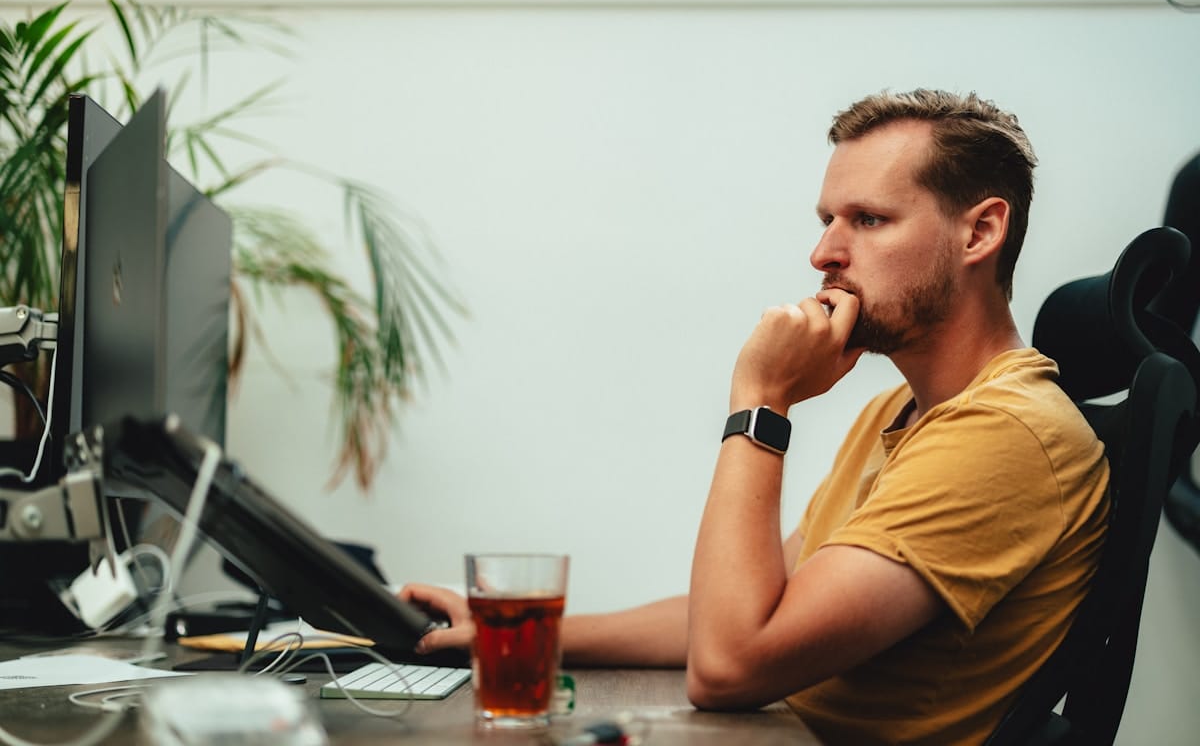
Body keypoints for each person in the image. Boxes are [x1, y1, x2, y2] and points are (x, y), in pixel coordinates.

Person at [400, 88, 1110, 745]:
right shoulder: (901, 411)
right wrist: (516, 635)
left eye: (868, 220)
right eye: (828, 220)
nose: (824, 253)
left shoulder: (1004, 434)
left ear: (979, 233)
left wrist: (761, 403)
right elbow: (748, 613)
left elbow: (728, 665)